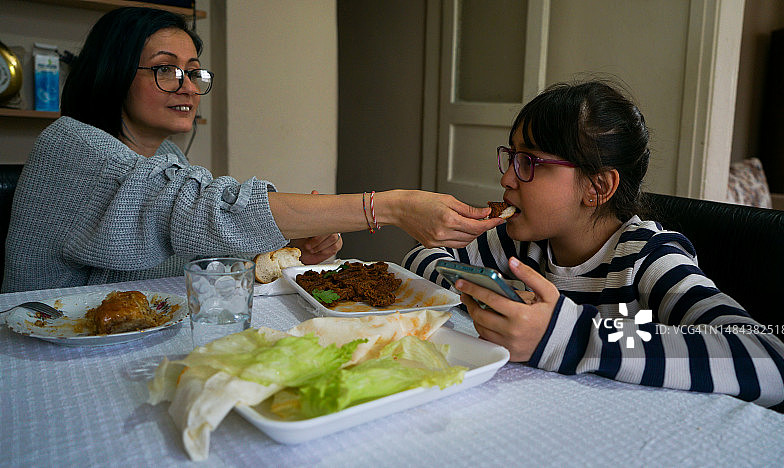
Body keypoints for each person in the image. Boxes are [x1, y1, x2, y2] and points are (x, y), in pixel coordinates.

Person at [2, 7, 503, 293]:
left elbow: (189, 254)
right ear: (112, 73)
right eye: (165, 68)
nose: (188, 86)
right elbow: (197, 209)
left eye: (194, 71)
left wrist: (284, 249)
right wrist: (387, 206)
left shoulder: (165, 161)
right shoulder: (70, 145)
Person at [403, 79, 784, 408]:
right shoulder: (522, 244)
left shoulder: (647, 257)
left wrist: (566, 336)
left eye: (529, 163)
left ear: (597, 186)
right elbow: (419, 258)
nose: (507, 179)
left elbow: (768, 361)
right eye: (511, 157)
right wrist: (485, 288)